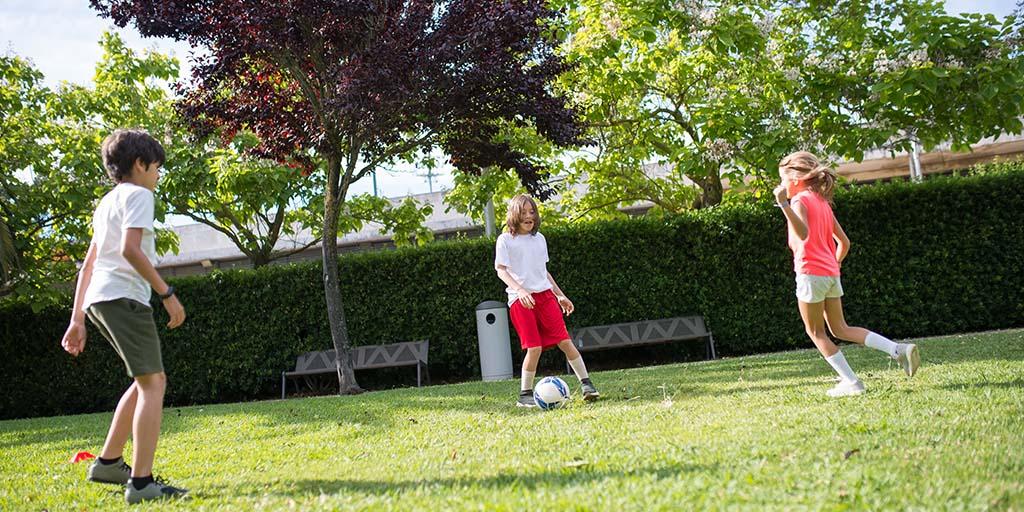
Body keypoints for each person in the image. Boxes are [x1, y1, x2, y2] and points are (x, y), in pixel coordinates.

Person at [60, 129, 189, 503]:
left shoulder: (107, 203)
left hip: (99, 299)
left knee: (142, 380)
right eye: (157, 168)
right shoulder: (139, 195)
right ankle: (142, 483)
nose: (158, 176)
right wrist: (167, 294)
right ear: (140, 164)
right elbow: (130, 250)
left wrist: (78, 318)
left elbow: (89, 265)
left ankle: (109, 463)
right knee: (154, 383)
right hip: (123, 297)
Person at [773, 151, 920, 397]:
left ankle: (851, 382)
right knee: (841, 328)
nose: (781, 186)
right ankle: (897, 349)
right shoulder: (822, 203)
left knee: (816, 332)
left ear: (796, 180)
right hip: (830, 274)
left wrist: (783, 204)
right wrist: (834, 265)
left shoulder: (798, 201)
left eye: (782, 180)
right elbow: (844, 243)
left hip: (810, 272)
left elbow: (802, 234)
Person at [495, 194, 600, 407]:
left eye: (532, 212)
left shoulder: (539, 239)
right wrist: (520, 290)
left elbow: (544, 273)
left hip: (545, 297)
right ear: (514, 214)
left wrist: (559, 295)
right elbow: (501, 270)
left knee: (565, 340)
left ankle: (587, 384)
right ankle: (525, 395)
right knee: (534, 348)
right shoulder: (505, 240)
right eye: (523, 212)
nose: (528, 216)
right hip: (520, 300)